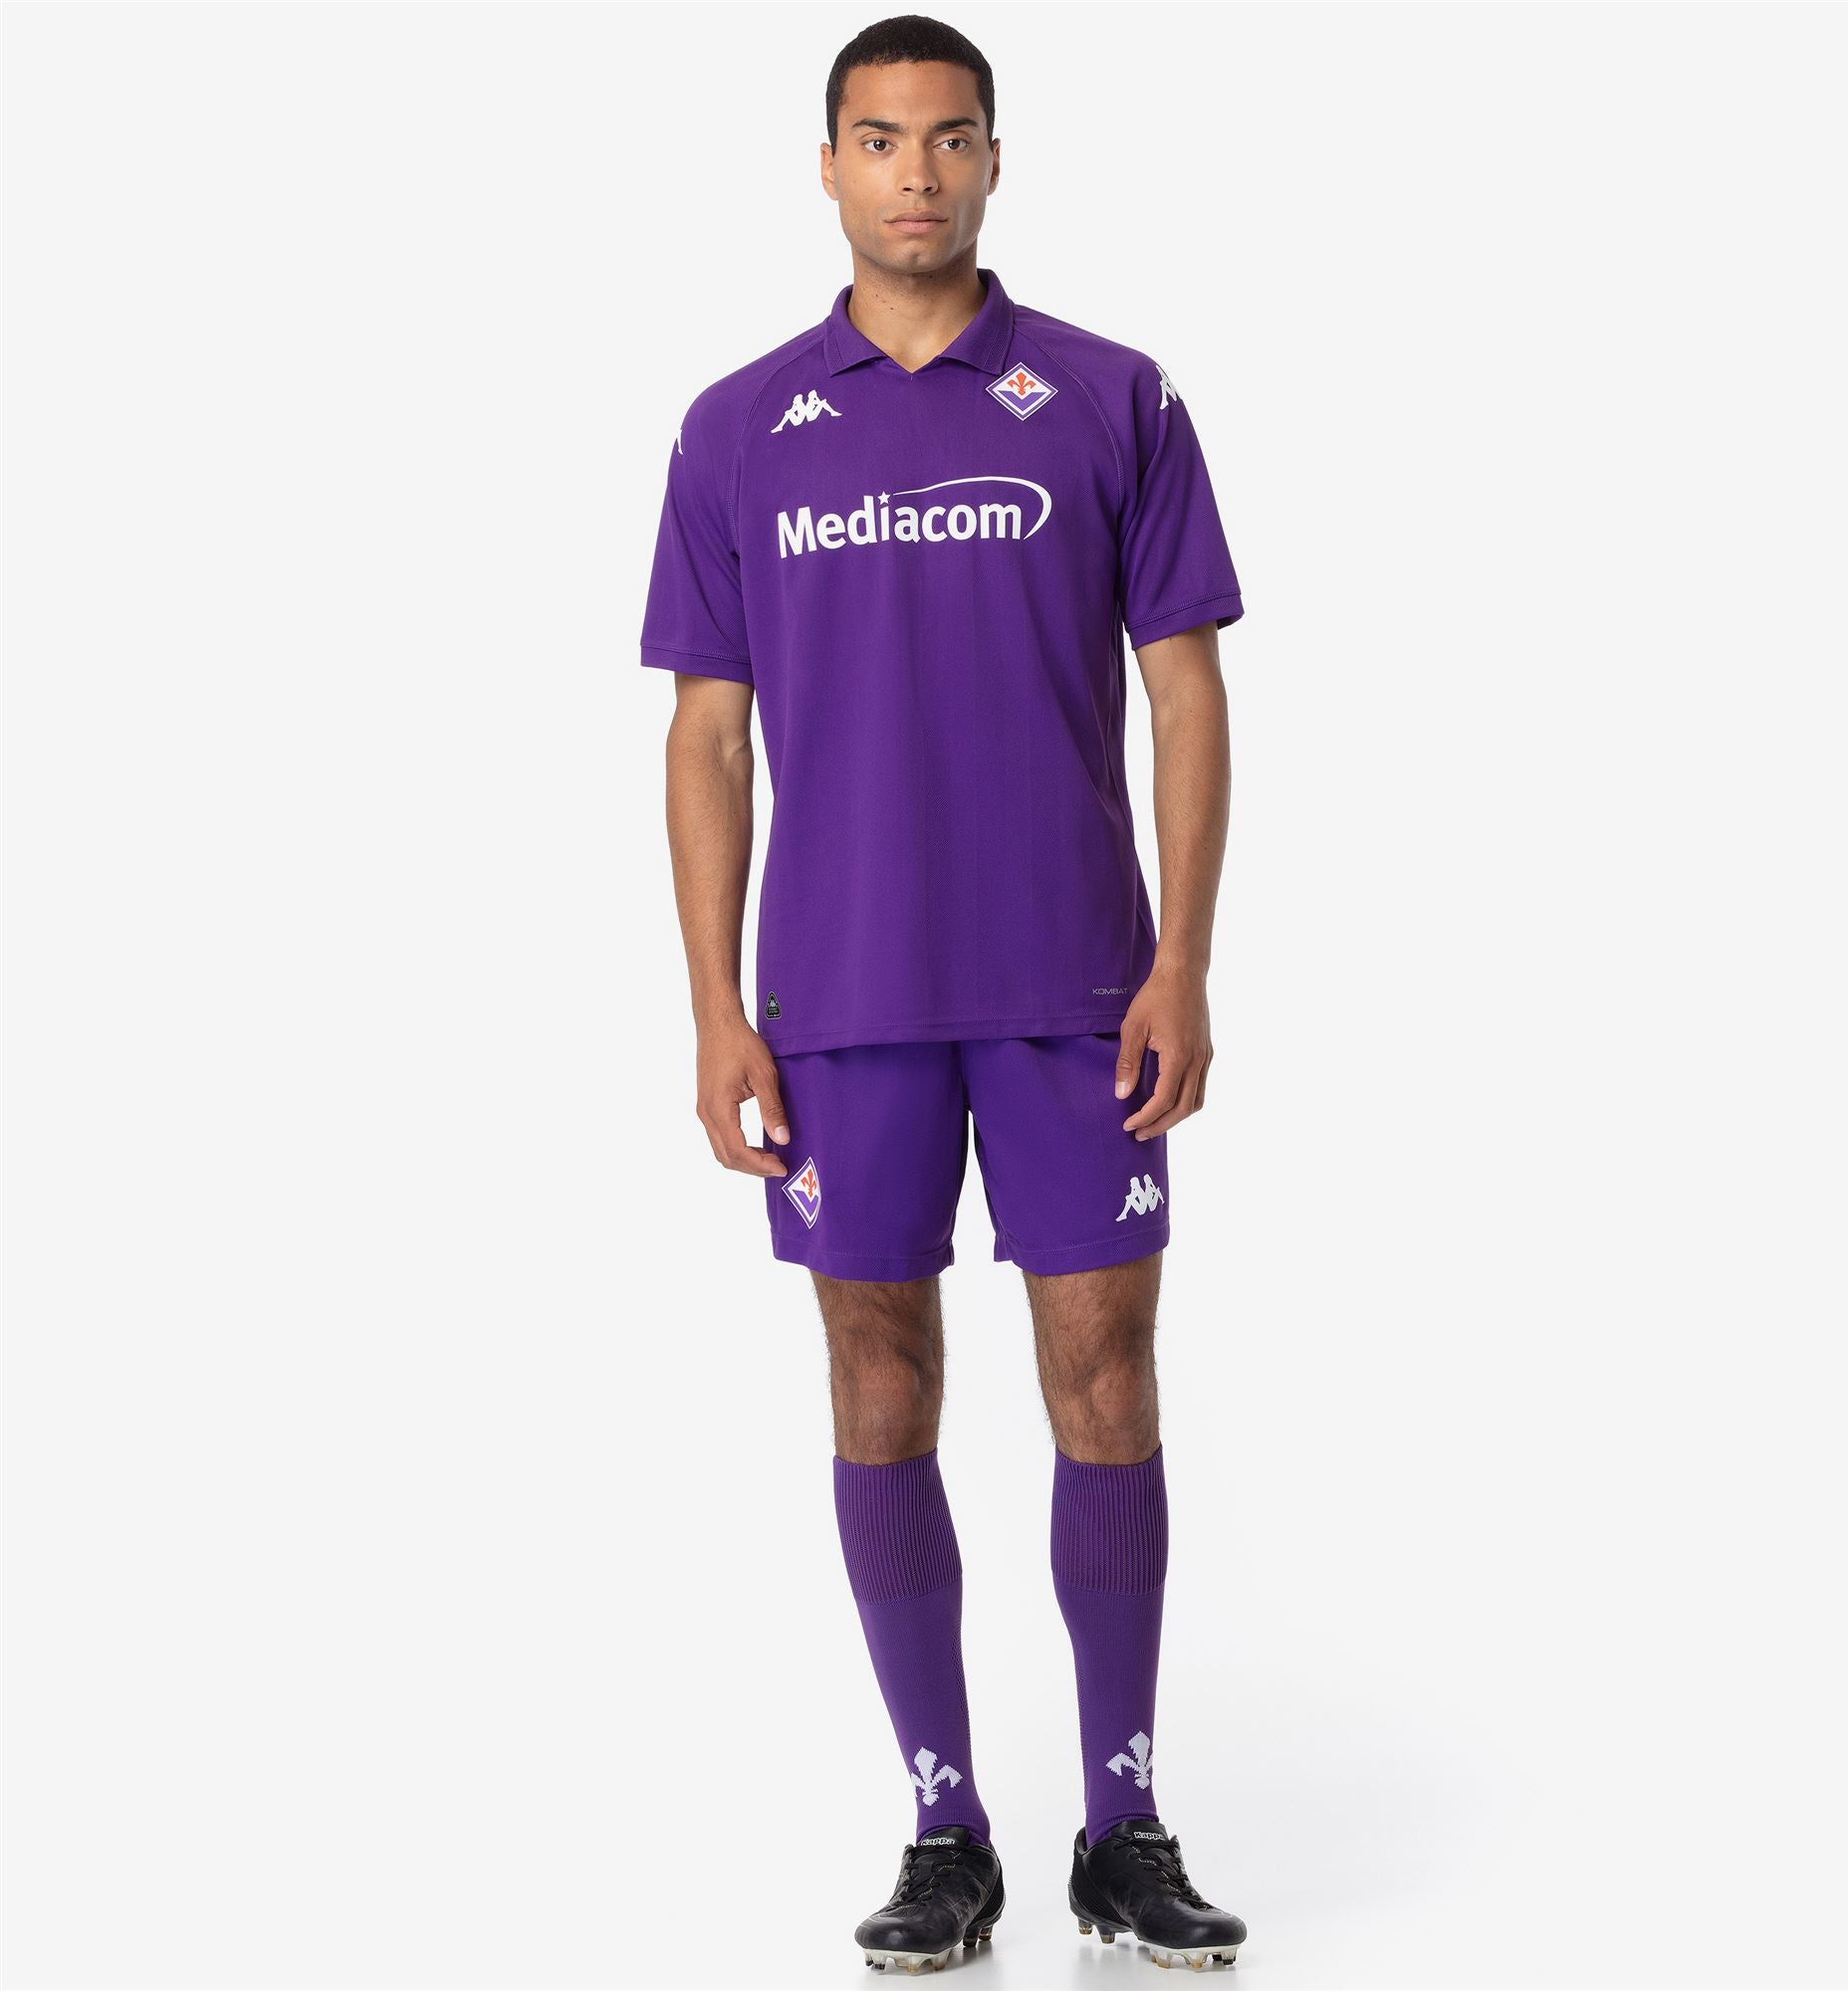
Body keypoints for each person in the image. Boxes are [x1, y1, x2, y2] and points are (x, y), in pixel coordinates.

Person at [639, 13, 1248, 1974]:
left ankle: (1123, 1822)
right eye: (881, 138)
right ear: (826, 165)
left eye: (951, 136)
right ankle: (944, 1827)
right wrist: (717, 1008)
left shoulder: (1112, 397)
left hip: (1077, 985)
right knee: (879, 1380)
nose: (917, 170)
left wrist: (1181, 956)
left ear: (996, 159)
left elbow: (1184, 692)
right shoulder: (738, 427)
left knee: (1106, 1375)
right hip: (840, 997)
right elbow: (706, 736)